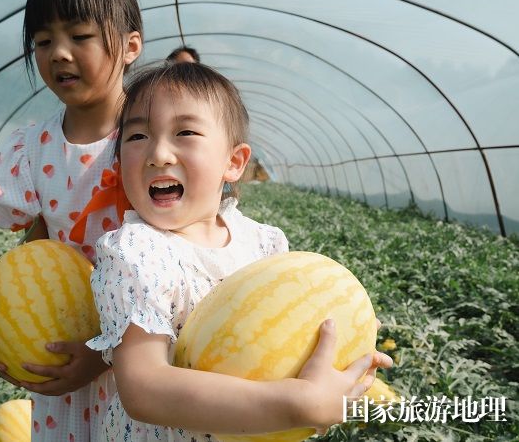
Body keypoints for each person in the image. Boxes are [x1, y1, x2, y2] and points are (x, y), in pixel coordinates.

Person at [86, 62, 393, 441]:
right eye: (136, 137)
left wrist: (347, 335)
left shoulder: (262, 243)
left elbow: (289, 335)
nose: (159, 154)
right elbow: (143, 388)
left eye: (185, 132)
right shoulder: (135, 254)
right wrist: (296, 403)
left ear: (233, 163)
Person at [0, 0, 143, 440]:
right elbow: (37, 249)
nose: (59, 53)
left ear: (129, 46)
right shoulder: (32, 147)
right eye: (44, 41)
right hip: (62, 371)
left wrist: (108, 352)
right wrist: (2, 326)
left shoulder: (149, 140)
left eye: (80, 36)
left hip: (142, 356)